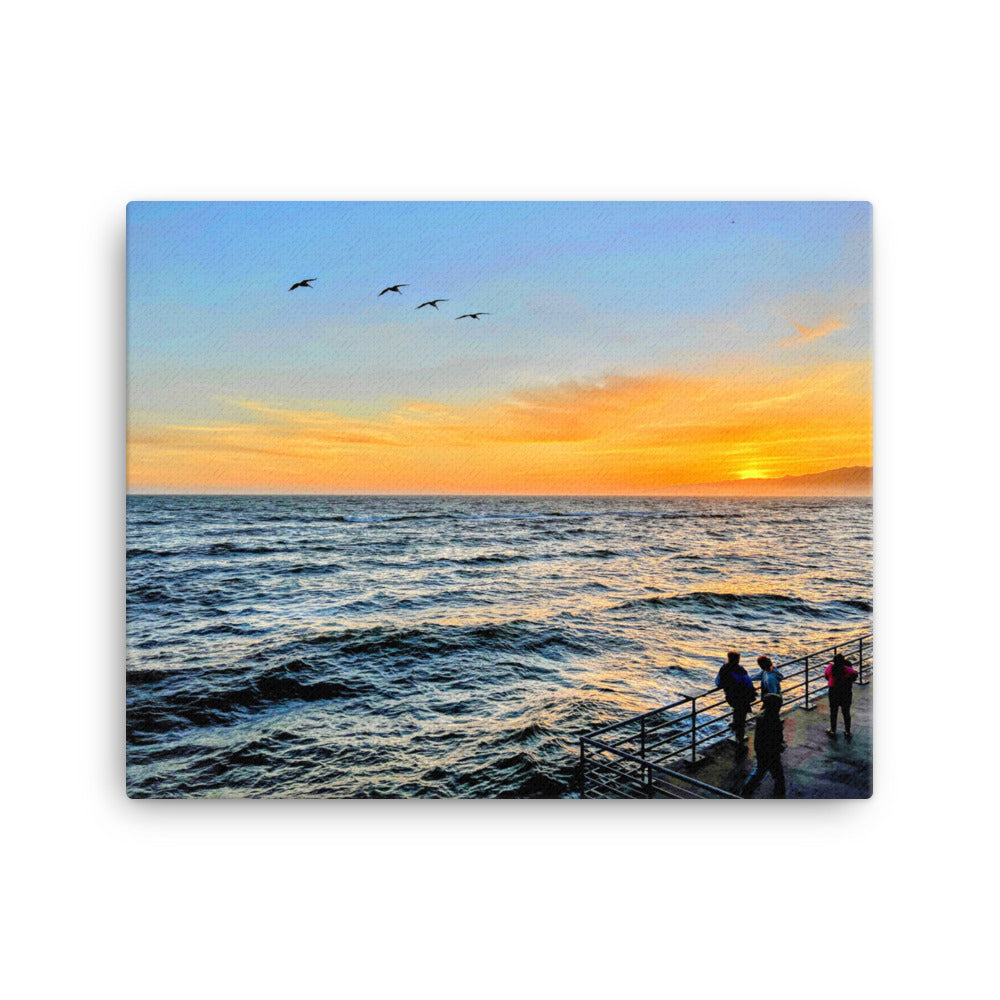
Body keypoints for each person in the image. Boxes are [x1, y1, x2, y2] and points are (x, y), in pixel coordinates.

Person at [741, 693, 786, 797]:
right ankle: (779, 795)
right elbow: (774, 737)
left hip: (762, 750)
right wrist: (779, 746)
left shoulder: (762, 716)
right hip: (771, 751)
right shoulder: (772, 719)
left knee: (760, 772)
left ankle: (746, 792)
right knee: (777, 775)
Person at [715, 650, 756, 747]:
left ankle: (736, 731)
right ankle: (739, 738)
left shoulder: (724, 668)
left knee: (737, 713)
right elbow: (748, 683)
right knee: (741, 717)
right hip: (742, 697)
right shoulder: (740, 670)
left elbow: (718, 682)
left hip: (731, 697)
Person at [825, 653, 859, 738]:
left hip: (834, 691)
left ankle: (833, 730)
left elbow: (826, 676)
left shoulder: (830, 668)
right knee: (846, 712)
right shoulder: (847, 669)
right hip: (846, 691)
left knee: (833, 711)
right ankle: (847, 731)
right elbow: (855, 675)